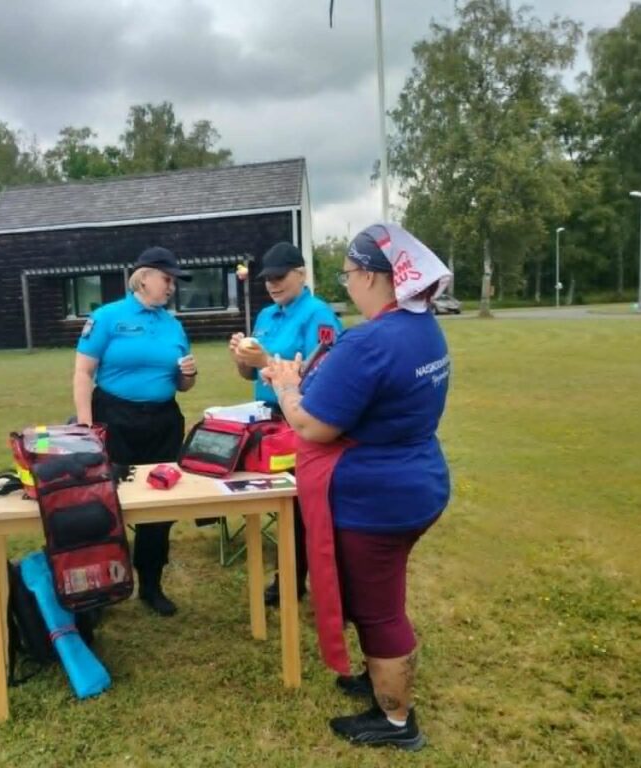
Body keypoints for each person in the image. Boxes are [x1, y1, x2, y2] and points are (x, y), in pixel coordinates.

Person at [263, 224, 452, 751]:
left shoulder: (370, 340)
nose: (346, 285)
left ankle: (396, 723)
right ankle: (376, 679)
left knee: (378, 608)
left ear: (372, 275)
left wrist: (286, 386)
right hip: (417, 481)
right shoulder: (422, 326)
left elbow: (312, 427)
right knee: (380, 595)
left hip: (378, 500)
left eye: (348, 275)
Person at [73, 246, 197, 617]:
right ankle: (104, 585)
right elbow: (83, 373)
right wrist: (85, 427)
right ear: (143, 277)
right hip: (114, 418)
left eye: (174, 281)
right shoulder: (108, 317)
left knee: (159, 505)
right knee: (107, 503)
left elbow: (184, 384)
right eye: (167, 279)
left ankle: (151, 584)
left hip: (162, 422)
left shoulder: (173, 325)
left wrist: (187, 376)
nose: (171, 287)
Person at [228, 242, 342, 606]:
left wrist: (265, 360)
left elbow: (321, 373)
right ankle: (288, 577)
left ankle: (299, 581)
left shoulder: (317, 315)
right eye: (267, 279)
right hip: (268, 417)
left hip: (301, 415)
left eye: (279, 277)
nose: (272, 285)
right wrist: (242, 359)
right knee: (276, 497)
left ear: (301, 273)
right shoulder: (265, 316)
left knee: (302, 505)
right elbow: (251, 375)